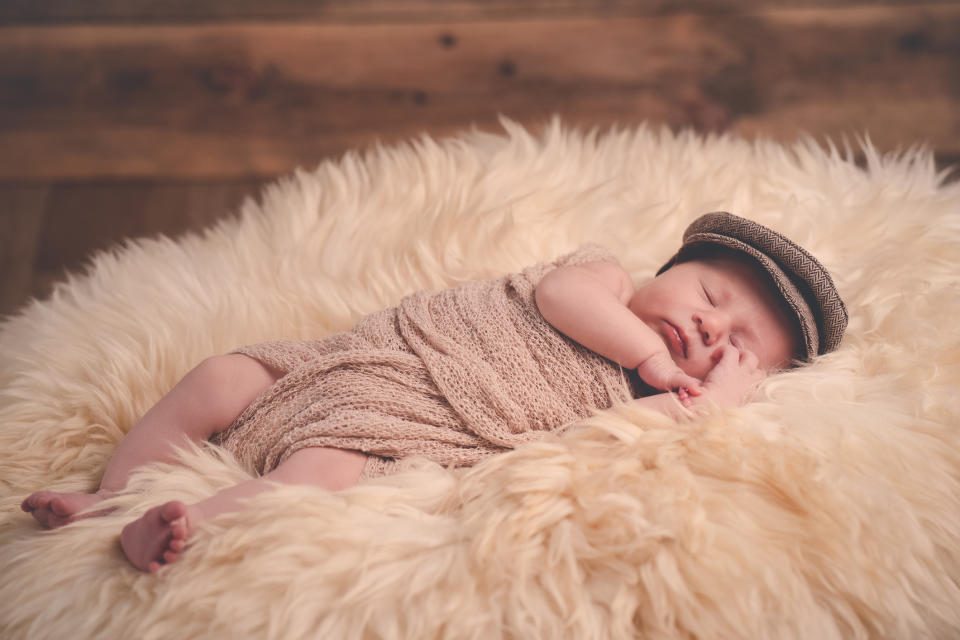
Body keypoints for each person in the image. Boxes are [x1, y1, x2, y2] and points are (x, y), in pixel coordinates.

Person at [20, 212, 848, 573]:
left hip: (407, 420)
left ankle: (177, 527)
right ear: (662, 273)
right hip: (370, 357)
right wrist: (661, 362)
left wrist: (715, 405)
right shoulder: (595, 279)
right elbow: (563, 302)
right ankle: (111, 496)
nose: (708, 333)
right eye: (707, 299)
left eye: (734, 348)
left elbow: (638, 441)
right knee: (218, 377)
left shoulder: (643, 402)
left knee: (323, 471)